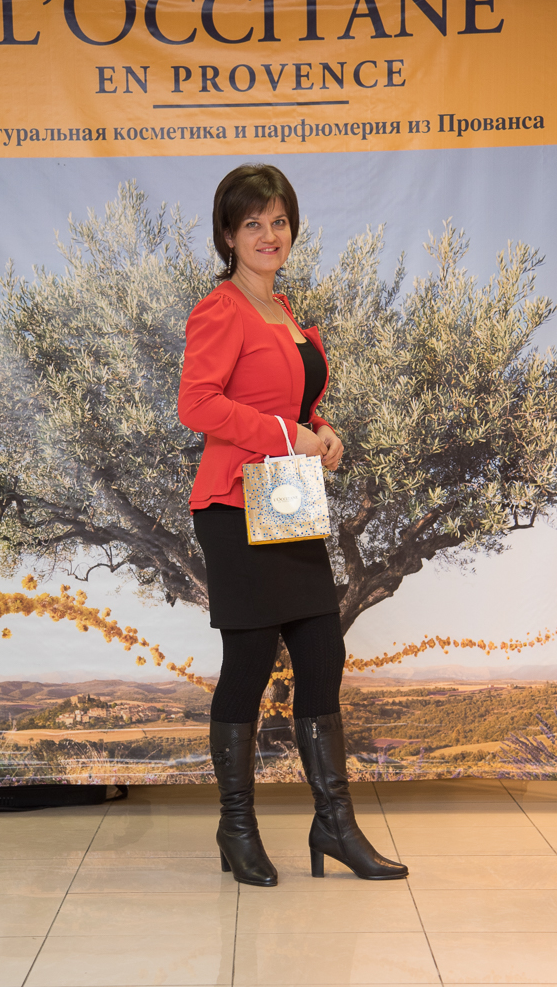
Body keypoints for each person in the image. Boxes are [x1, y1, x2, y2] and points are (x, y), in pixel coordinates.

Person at [178, 163, 408, 887]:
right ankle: (236, 827)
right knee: (249, 663)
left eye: (278, 222)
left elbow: (292, 402)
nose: (268, 235)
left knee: (321, 654)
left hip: (287, 500)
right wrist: (288, 434)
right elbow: (198, 404)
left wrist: (321, 429)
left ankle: (333, 824)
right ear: (228, 235)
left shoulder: (283, 310)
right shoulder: (220, 309)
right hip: (233, 505)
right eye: (253, 224)